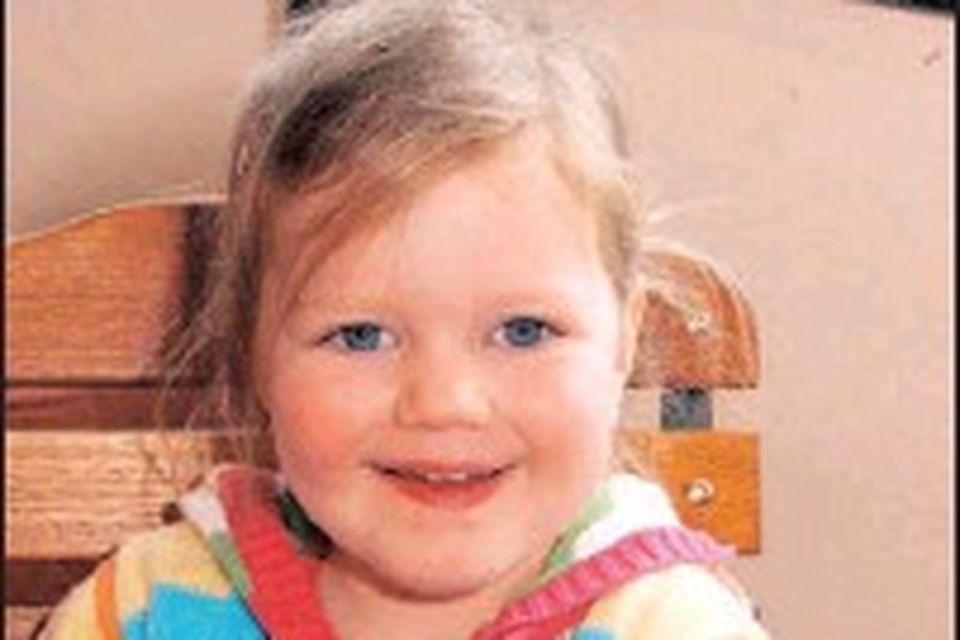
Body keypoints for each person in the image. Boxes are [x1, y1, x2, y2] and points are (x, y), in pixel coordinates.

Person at [41, 1, 768, 638]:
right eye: (361, 336)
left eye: (523, 331)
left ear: (624, 343)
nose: (444, 401)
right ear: (256, 353)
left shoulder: (675, 626)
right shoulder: (149, 608)